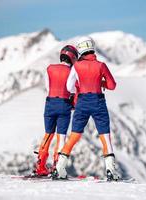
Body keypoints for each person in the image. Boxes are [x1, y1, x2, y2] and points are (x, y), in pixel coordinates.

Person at [52, 36, 119, 181]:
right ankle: (111, 171)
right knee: (104, 136)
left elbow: (69, 87)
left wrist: (80, 85)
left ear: (81, 49)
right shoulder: (101, 65)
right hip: (98, 102)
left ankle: (59, 168)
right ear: (92, 48)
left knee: (74, 135)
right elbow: (112, 85)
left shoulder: (76, 66)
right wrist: (101, 82)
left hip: (82, 102)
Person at [32, 45, 78, 176]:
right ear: (73, 57)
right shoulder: (72, 71)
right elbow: (73, 90)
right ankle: (57, 167)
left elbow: (48, 87)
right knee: (61, 137)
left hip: (50, 103)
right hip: (64, 104)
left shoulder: (49, 69)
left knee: (48, 134)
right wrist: (73, 103)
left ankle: (40, 165)